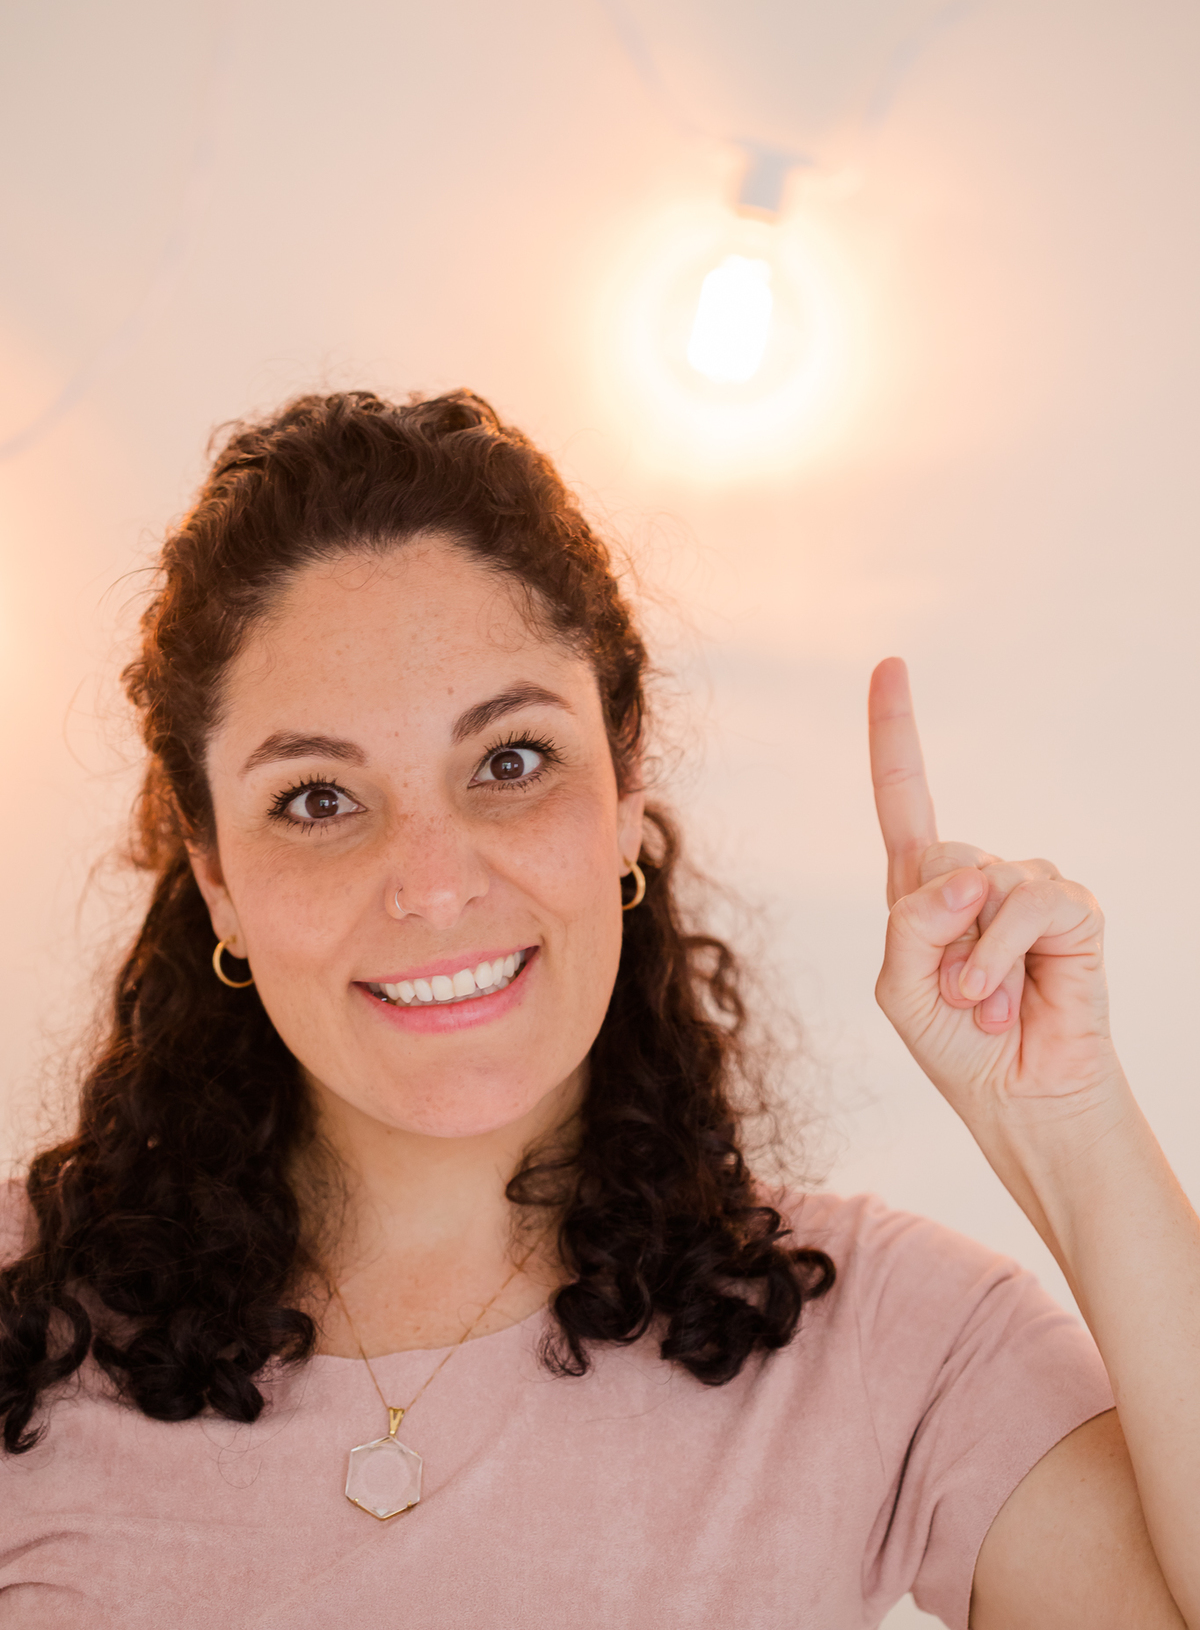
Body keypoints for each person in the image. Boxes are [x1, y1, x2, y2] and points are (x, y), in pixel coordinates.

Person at [0, 390, 1195, 1630]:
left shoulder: (882, 1337)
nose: (434, 885)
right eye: (317, 799)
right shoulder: (19, 1323)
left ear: (627, 793)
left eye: (509, 762)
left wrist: (1068, 1124)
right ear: (215, 878)